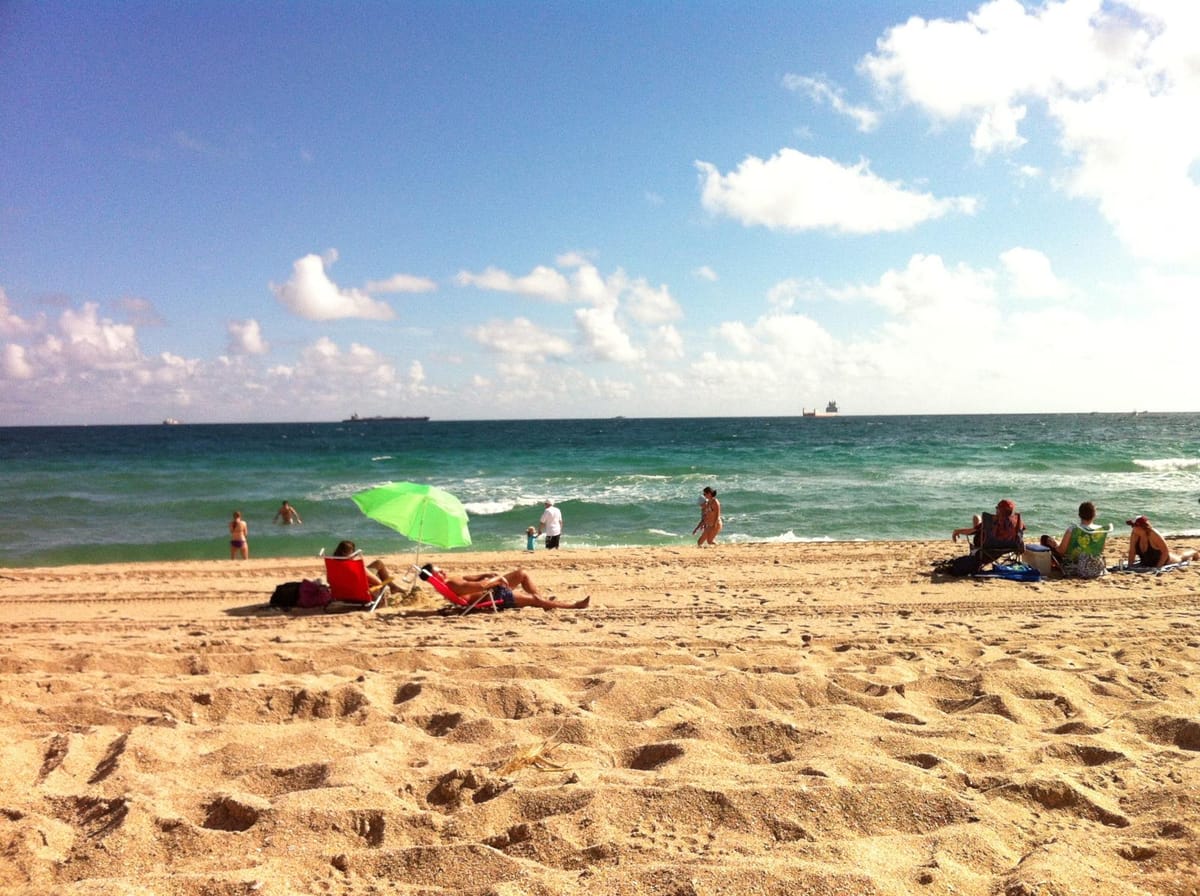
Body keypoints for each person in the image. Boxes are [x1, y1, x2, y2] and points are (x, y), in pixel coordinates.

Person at [420, 563, 589, 610]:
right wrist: (497, 579)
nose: (442, 571)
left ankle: (543, 602)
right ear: (433, 577)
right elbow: (480, 586)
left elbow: (470, 579)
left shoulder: (449, 580)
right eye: (438, 572)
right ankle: (575, 606)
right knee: (534, 600)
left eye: (440, 569)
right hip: (492, 597)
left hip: (491, 590)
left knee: (521, 573)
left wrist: (485, 574)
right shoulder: (452, 584)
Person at [1125, 516, 1200, 568]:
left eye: (1134, 526)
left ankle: (1193, 552)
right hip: (1148, 561)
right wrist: (1130, 566)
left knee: (1181, 558)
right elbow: (1132, 551)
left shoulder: (1153, 534)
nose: (1132, 528)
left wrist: (1158, 568)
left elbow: (1165, 552)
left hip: (1167, 561)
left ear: (1142, 527)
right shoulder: (1135, 534)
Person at [333, 540, 403, 593]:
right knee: (379, 564)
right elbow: (378, 583)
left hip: (344, 593)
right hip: (360, 591)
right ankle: (393, 587)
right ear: (352, 553)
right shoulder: (355, 566)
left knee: (377, 564)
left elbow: (330, 581)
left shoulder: (333, 565)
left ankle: (393, 587)